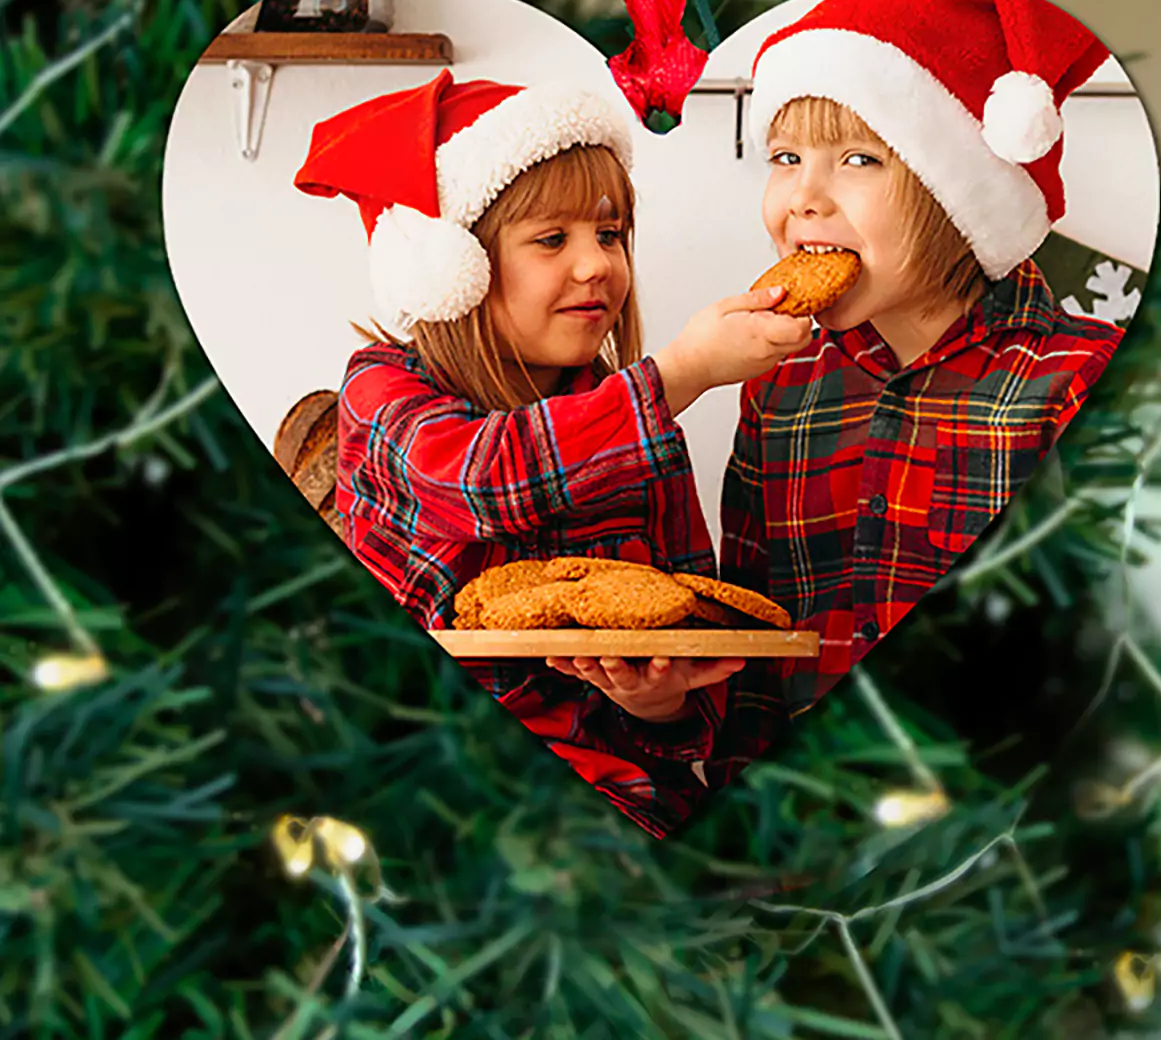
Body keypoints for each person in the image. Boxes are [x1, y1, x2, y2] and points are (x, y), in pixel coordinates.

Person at [548, 0, 1129, 823]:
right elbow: (752, 654)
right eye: (786, 159)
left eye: (859, 159)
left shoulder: (1076, 381)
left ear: (954, 187)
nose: (803, 198)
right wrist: (667, 706)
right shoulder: (783, 387)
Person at [292, 69, 809, 836]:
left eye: (608, 234)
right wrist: (682, 373)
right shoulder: (385, 393)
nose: (596, 263)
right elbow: (486, 482)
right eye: (550, 240)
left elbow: (692, 662)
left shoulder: (642, 441)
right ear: (452, 269)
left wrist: (658, 702)